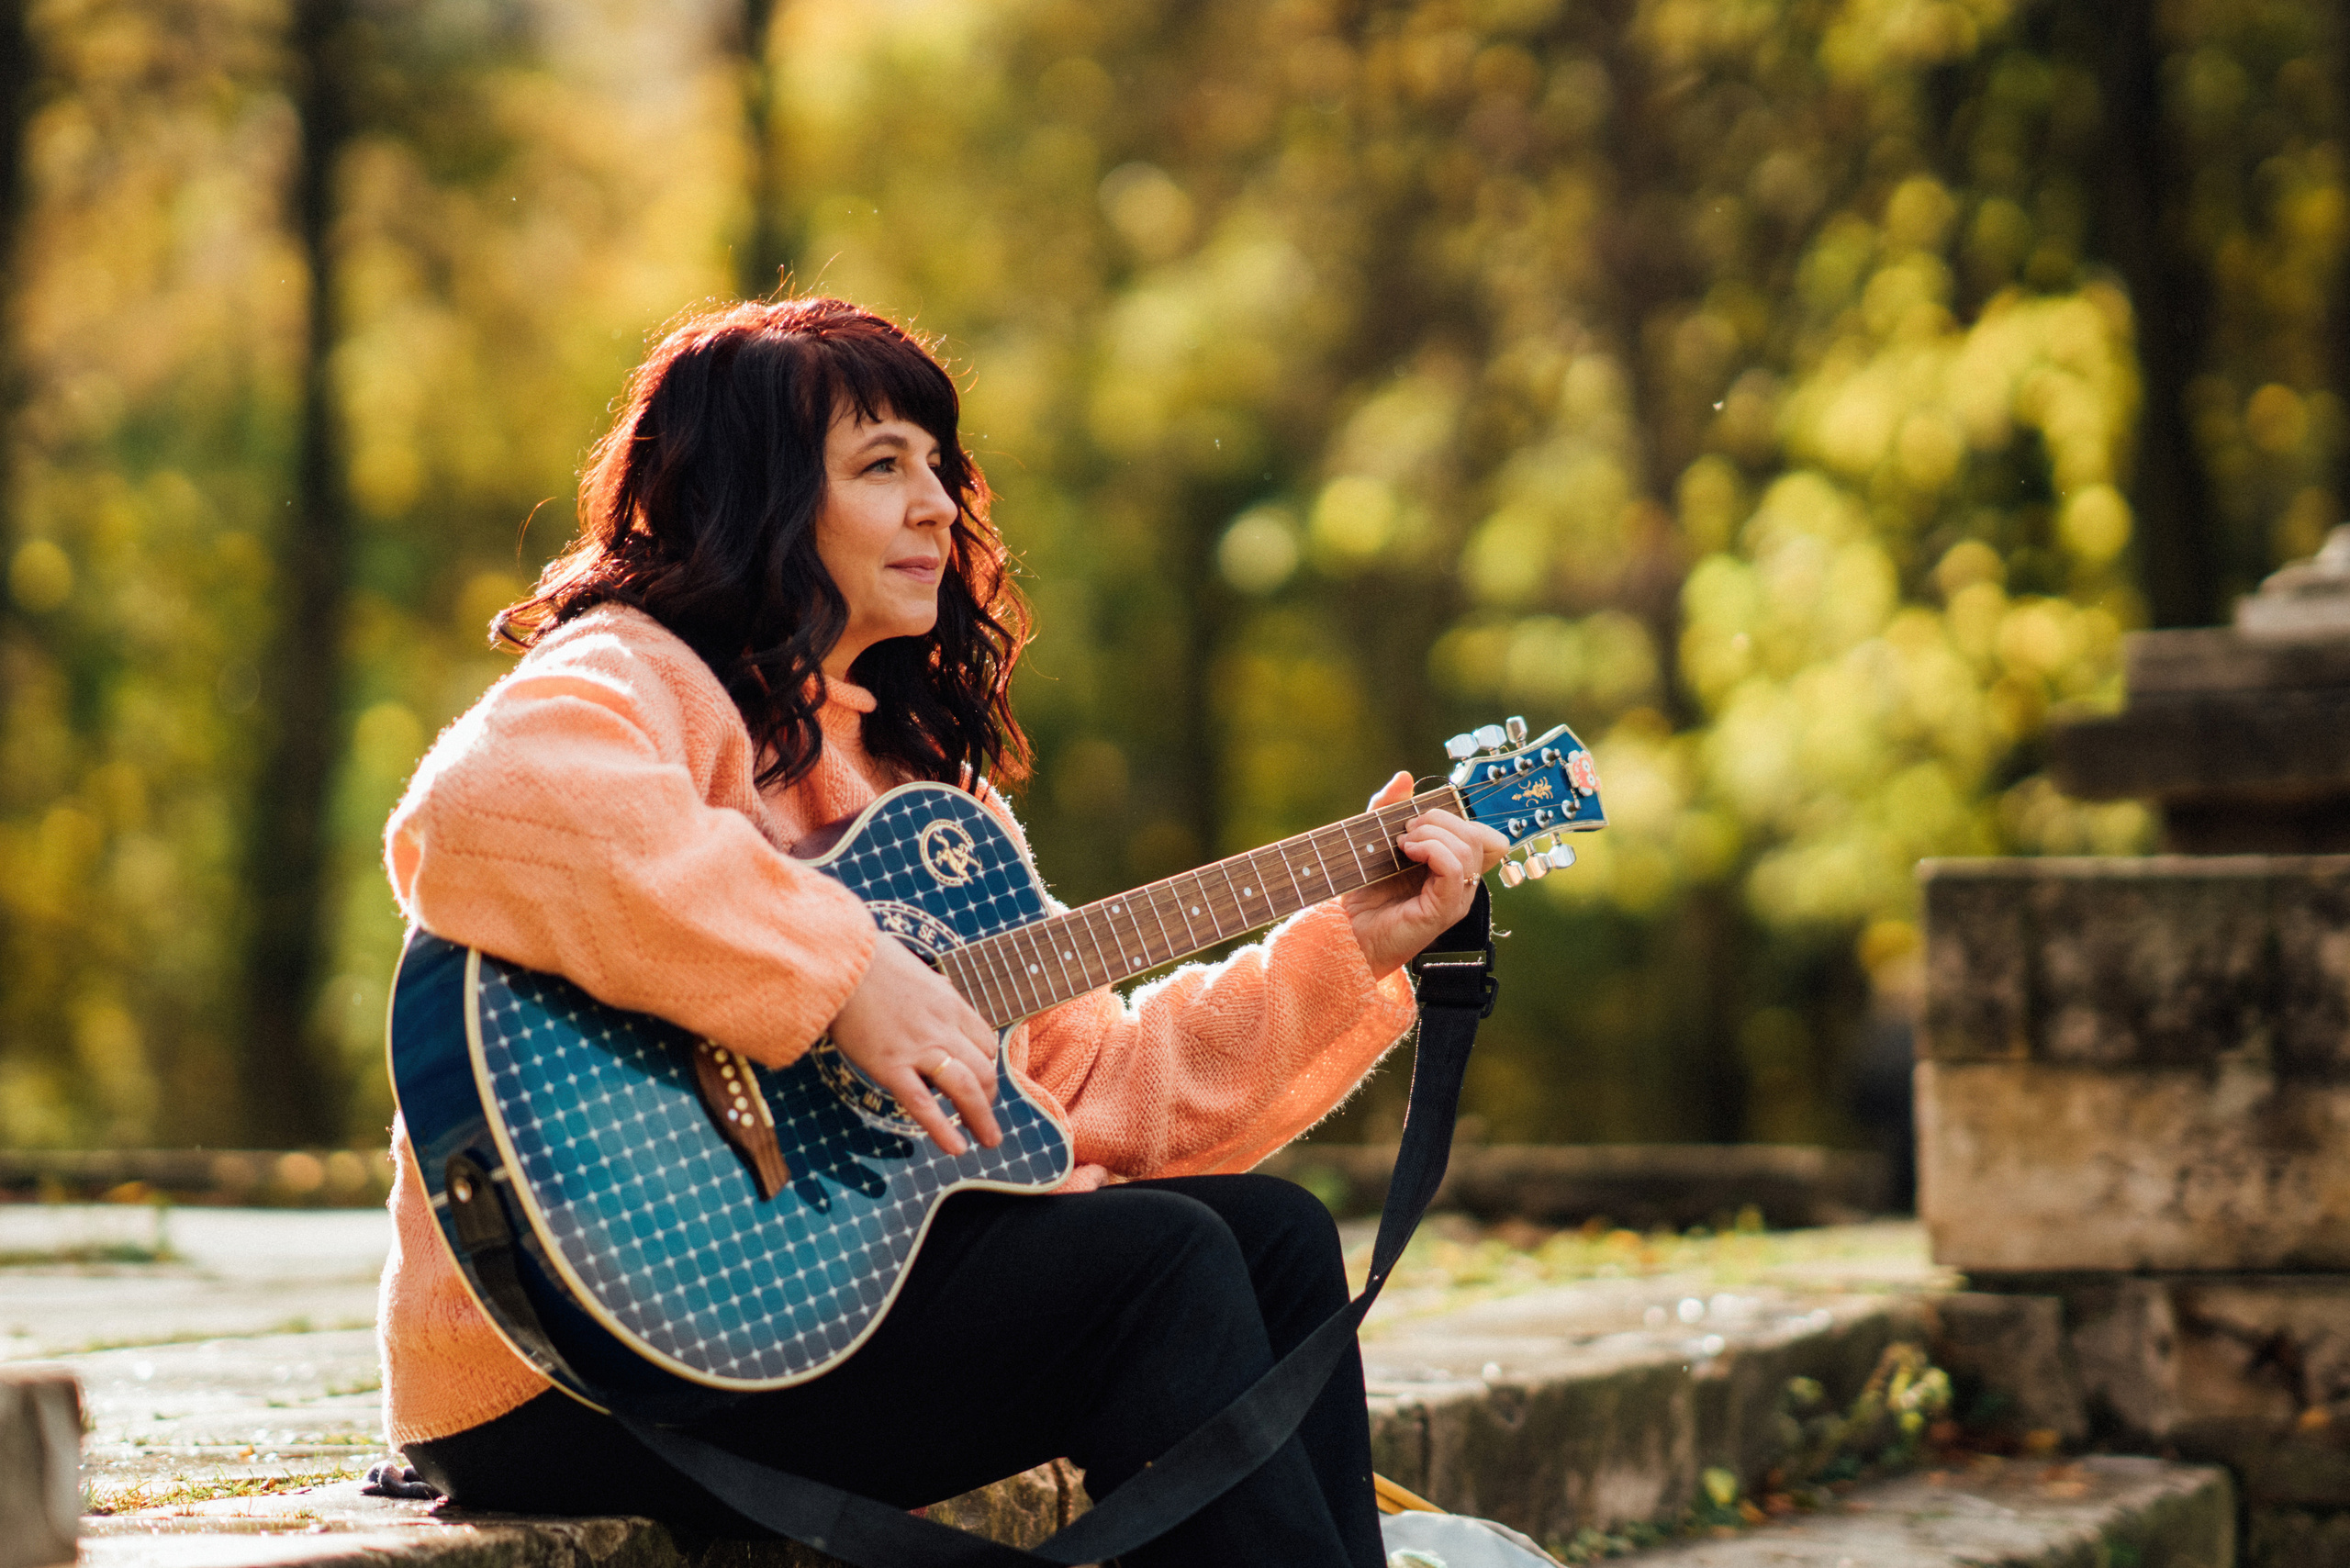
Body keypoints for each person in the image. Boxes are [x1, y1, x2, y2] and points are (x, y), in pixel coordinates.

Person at [374, 295, 1505, 1568]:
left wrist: (1352, 944)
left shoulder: (930, 797)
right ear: (757, 498)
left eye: (938, 467)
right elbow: (482, 808)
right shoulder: (641, 675)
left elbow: (1102, 1098)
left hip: (825, 1320)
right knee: (1164, 1267)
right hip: (580, 1365)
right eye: (880, 467)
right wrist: (844, 976)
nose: (940, 506)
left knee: (1274, 1236)